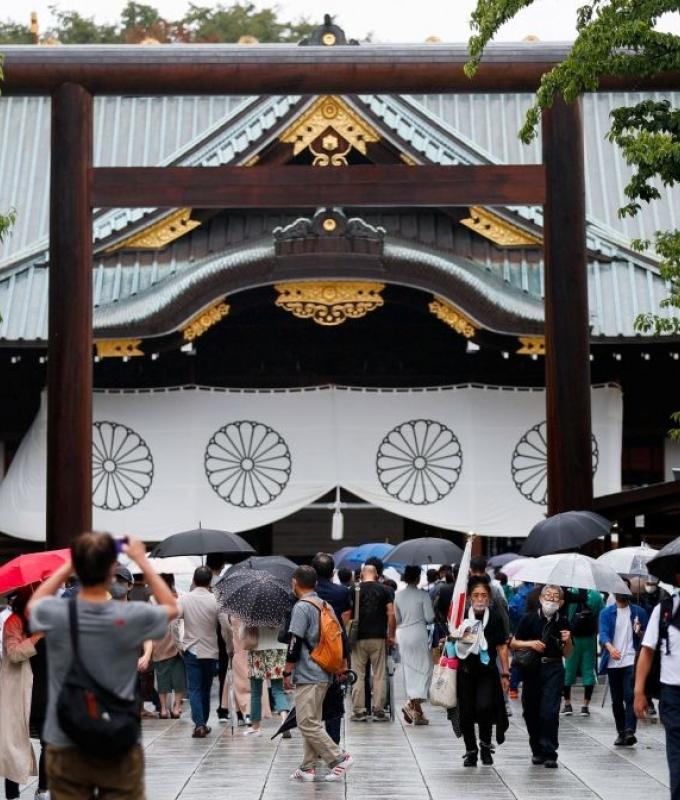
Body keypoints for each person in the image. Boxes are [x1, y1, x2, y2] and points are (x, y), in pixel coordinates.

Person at [27, 532, 177, 800]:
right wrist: (141, 559)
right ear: (112, 571)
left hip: (66, 739)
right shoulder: (130, 615)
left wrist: (69, 563)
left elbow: (34, 605)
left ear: (77, 570)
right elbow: (171, 607)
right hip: (118, 737)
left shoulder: (59, 614)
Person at [284, 565, 353, 782]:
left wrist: (287, 670)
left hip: (308, 673)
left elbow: (294, 641)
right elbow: (341, 637)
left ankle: (339, 758)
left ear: (295, 582)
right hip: (325, 671)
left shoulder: (302, 607)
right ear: (314, 584)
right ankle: (307, 767)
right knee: (311, 720)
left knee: (306, 722)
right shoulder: (325, 605)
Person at [511, 584, 573, 768]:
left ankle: (550, 752)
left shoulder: (563, 621)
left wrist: (567, 640)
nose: (551, 599)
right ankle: (536, 749)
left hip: (553, 668)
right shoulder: (528, 619)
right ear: (540, 599)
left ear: (561, 602)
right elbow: (513, 643)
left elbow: (568, 653)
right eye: (548, 595)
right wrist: (531, 644)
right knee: (530, 711)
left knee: (550, 711)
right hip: (531, 670)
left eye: (555, 597)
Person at [454, 576, 510, 766]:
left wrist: (505, 673)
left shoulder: (494, 617)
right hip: (465, 671)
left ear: (488, 599)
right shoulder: (461, 617)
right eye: (476, 595)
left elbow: (502, 647)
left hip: (487, 672)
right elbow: (452, 641)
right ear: (470, 598)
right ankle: (471, 751)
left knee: (485, 708)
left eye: (483, 595)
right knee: (466, 713)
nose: (479, 599)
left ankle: (486, 746)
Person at [0, 587, 48, 800]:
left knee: (51, 742)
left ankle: (44, 789)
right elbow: (15, 653)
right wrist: (37, 636)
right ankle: (12, 795)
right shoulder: (14, 622)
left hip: (46, 688)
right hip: (19, 689)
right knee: (14, 744)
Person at [635, 579, 680, 800]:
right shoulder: (665, 610)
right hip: (673, 695)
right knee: (678, 762)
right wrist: (638, 691)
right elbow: (647, 651)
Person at [599, 582, 648, 746]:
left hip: (631, 659)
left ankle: (629, 731)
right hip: (613, 661)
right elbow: (603, 633)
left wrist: (639, 631)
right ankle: (620, 731)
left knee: (630, 695)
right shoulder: (606, 613)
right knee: (616, 699)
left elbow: (647, 637)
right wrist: (609, 647)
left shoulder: (638, 612)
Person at [349, 563, 395, 722]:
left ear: (361, 575)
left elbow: (348, 614)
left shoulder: (353, 590)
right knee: (379, 675)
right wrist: (392, 635)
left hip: (358, 638)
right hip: (378, 637)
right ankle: (378, 710)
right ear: (377, 576)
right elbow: (391, 613)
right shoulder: (386, 590)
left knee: (358, 674)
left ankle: (359, 711)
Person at [312, 552, 351, 743]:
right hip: (336, 647)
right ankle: (333, 741)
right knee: (334, 697)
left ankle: (318, 744)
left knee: (313, 701)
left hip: (313, 651)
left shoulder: (307, 594)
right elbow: (343, 622)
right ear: (332, 571)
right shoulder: (342, 592)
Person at [179, 565, 219, 738]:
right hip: (210, 649)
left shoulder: (184, 599)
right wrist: (230, 648)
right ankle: (204, 722)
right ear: (210, 581)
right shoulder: (215, 600)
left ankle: (199, 724)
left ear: (194, 581)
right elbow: (224, 626)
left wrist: (179, 643)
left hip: (191, 648)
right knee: (206, 688)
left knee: (194, 688)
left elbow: (173, 621)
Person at [395, 565, 435, 725]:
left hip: (403, 634)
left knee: (410, 670)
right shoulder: (422, 595)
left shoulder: (397, 595)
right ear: (418, 577)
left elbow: (396, 619)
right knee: (425, 669)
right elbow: (430, 617)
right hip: (418, 633)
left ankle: (418, 712)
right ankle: (411, 704)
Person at [562, 587, 604, 717]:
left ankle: (567, 704)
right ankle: (585, 706)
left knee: (568, 670)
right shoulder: (597, 596)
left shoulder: (570, 593)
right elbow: (601, 616)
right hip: (589, 639)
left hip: (572, 637)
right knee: (588, 671)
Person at [244, 622, 289, 738]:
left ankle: (256, 727)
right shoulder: (281, 606)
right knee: (278, 689)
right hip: (279, 648)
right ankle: (284, 720)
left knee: (256, 692)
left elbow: (243, 630)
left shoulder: (254, 609)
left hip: (257, 649)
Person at [152, 574, 185, 719]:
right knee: (179, 677)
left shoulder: (153, 599)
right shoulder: (177, 598)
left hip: (158, 641)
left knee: (162, 677)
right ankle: (176, 707)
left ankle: (164, 709)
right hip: (176, 642)